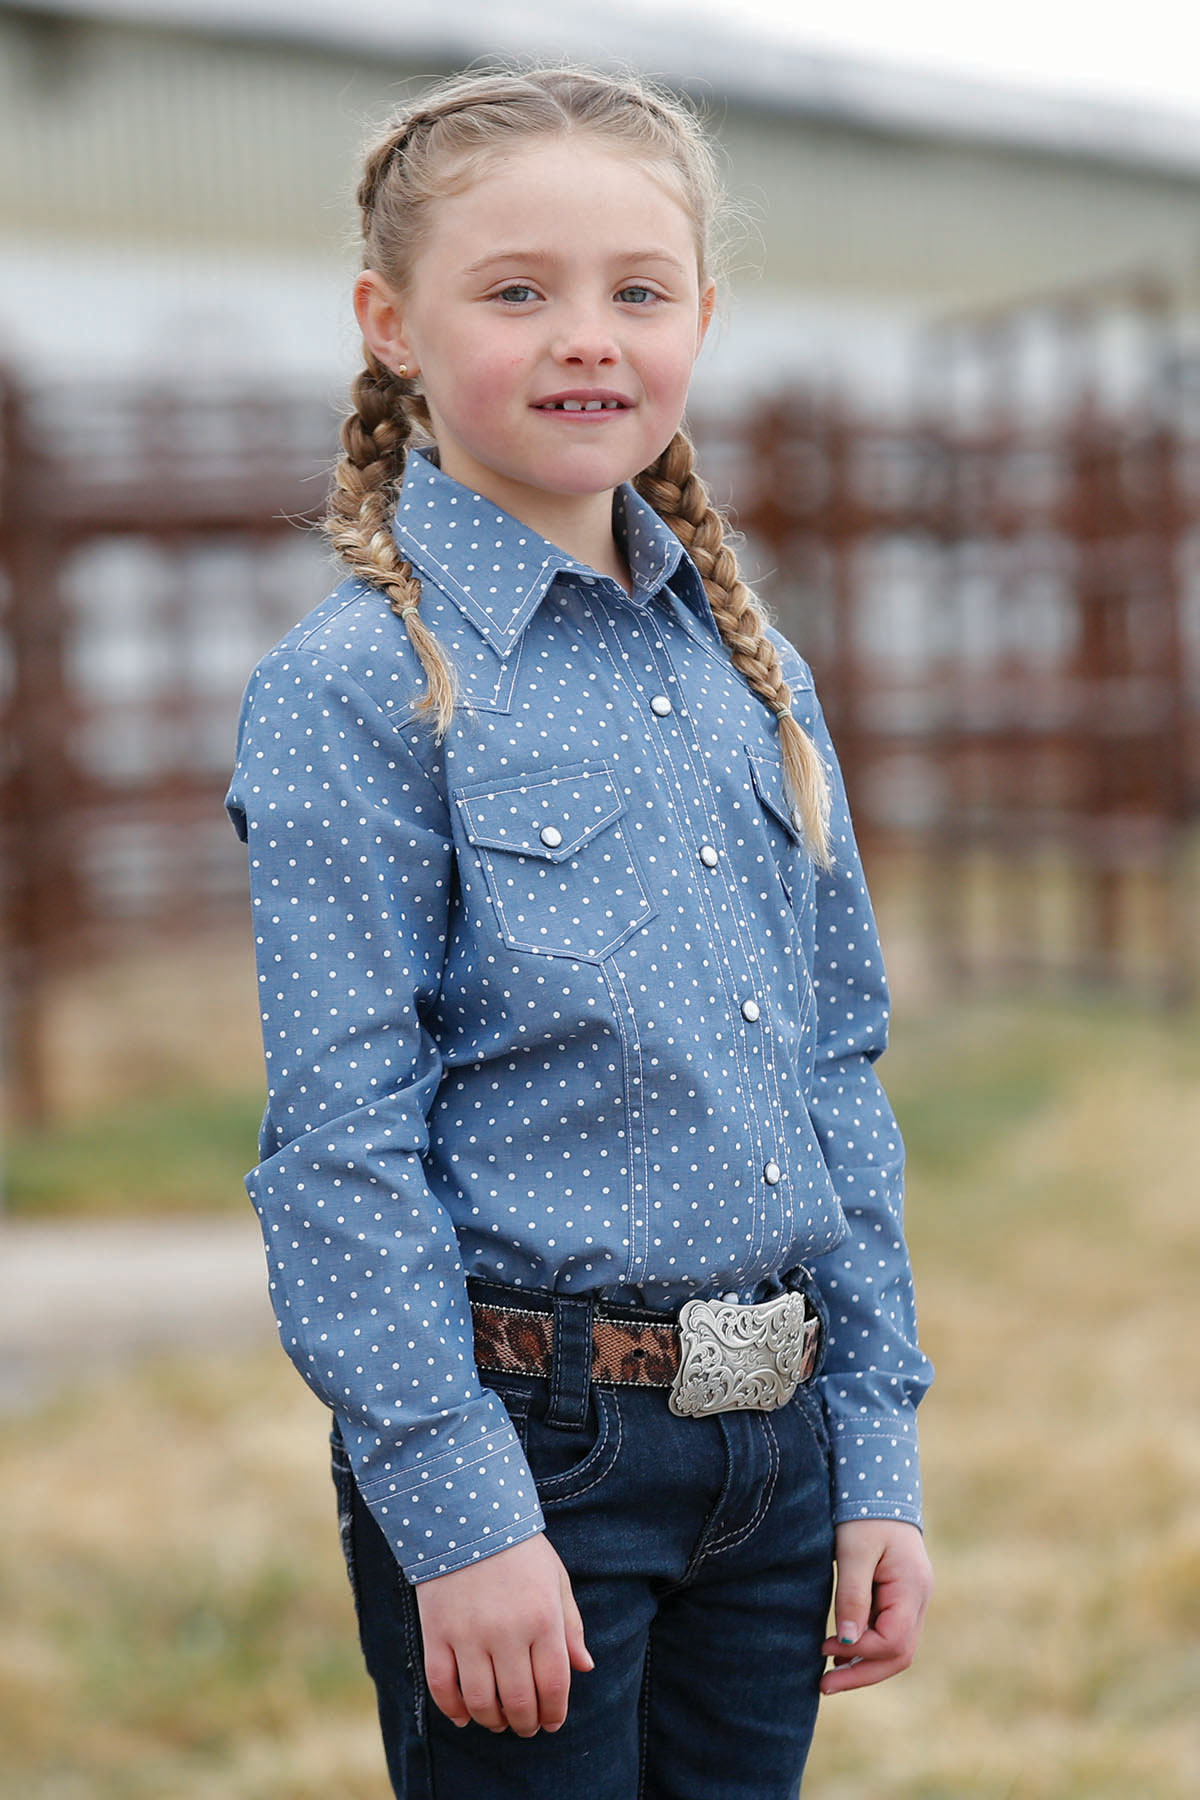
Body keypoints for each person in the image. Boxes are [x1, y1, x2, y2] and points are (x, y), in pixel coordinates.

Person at [226, 64, 933, 1800]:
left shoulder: (751, 671)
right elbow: (339, 1147)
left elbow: (835, 1071)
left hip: (775, 1446)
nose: (585, 339)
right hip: (527, 1452)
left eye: (639, 289)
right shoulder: (363, 689)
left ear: (703, 315)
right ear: (391, 323)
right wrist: (459, 1516)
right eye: (517, 291)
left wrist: (876, 1446)